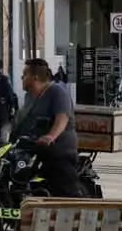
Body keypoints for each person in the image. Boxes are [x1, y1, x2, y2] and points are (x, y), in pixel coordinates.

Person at [12, 58, 81, 197]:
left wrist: (50, 136)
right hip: (33, 152)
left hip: (57, 152)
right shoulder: (29, 97)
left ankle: (78, 212)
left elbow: (62, 118)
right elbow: (22, 121)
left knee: (65, 191)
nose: (21, 78)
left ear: (35, 77)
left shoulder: (57, 91)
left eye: (24, 75)